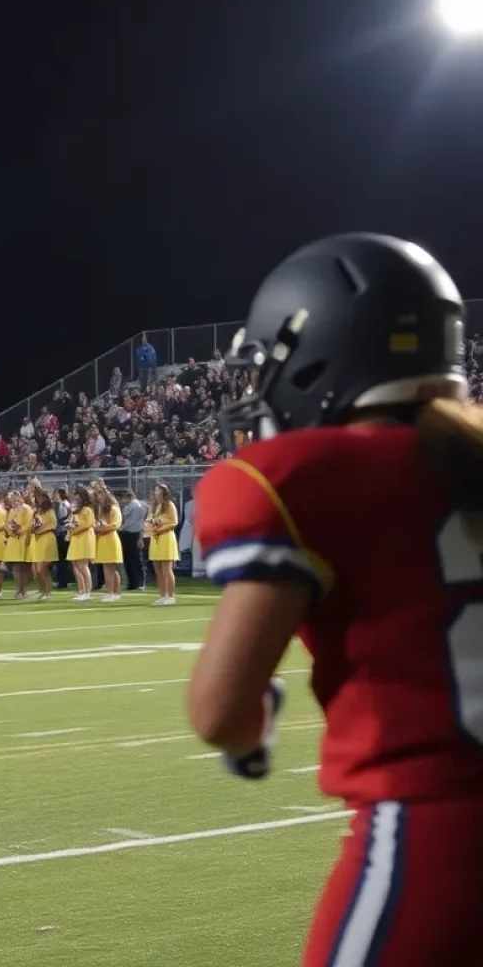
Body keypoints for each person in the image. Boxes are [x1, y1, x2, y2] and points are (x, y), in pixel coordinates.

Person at [187, 233, 483, 965]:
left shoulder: (308, 475)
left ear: (320, 353)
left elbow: (220, 711)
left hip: (442, 831)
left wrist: (254, 726)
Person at [146, 483, 179, 606]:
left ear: (164, 492)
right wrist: (150, 524)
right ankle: (162, 595)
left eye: (159, 491)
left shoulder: (169, 505)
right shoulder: (153, 506)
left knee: (166, 569)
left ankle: (170, 596)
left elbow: (174, 522)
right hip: (155, 538)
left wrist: (161, 528)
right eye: (155, 491)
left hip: (166, 538)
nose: (156, 493)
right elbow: (149, 520)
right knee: (157, 569)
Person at [94, 484, 124, 602]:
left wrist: (102, 528)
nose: (99, 496)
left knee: (111, 567)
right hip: (102, 539)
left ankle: (114, 592)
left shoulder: (114, 508)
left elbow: (116, 524)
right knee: (107, 567)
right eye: (98, 494)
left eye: (101, 493)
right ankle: (111, 592)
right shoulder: (101, 510)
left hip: (110, 538)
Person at [67, 485, 96, 601]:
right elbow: (74, 522)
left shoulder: (87, 509)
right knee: (78, 566)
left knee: (83, 565)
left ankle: (87, 592)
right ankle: (82, 590)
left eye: (78, 495)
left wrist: (74, 529)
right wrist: (70, 526)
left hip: (84, 538)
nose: (76, 498)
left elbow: (88, 524)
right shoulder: (77, 511)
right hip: (77, 538)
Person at [28, 485, 57, 601]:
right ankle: (41, 590)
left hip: (47, 539)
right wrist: (33, 528)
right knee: (35, 571)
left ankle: (48, 592)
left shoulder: (50, 510)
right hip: (36, 540)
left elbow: (53, 525)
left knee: (42, 568)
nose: (39, 500)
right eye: (37, 498)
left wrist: (40, 529)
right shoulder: (36, 512)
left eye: (41, 497)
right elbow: (31, 525)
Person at [118, 489, 147, 591]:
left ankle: (140, 582)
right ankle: (132, 583)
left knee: (136, 560)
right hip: (126, 534)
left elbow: (137, 522)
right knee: (128, 560)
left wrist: (141, 536)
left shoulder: (137, 506)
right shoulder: (128, 506)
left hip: (134, 533)